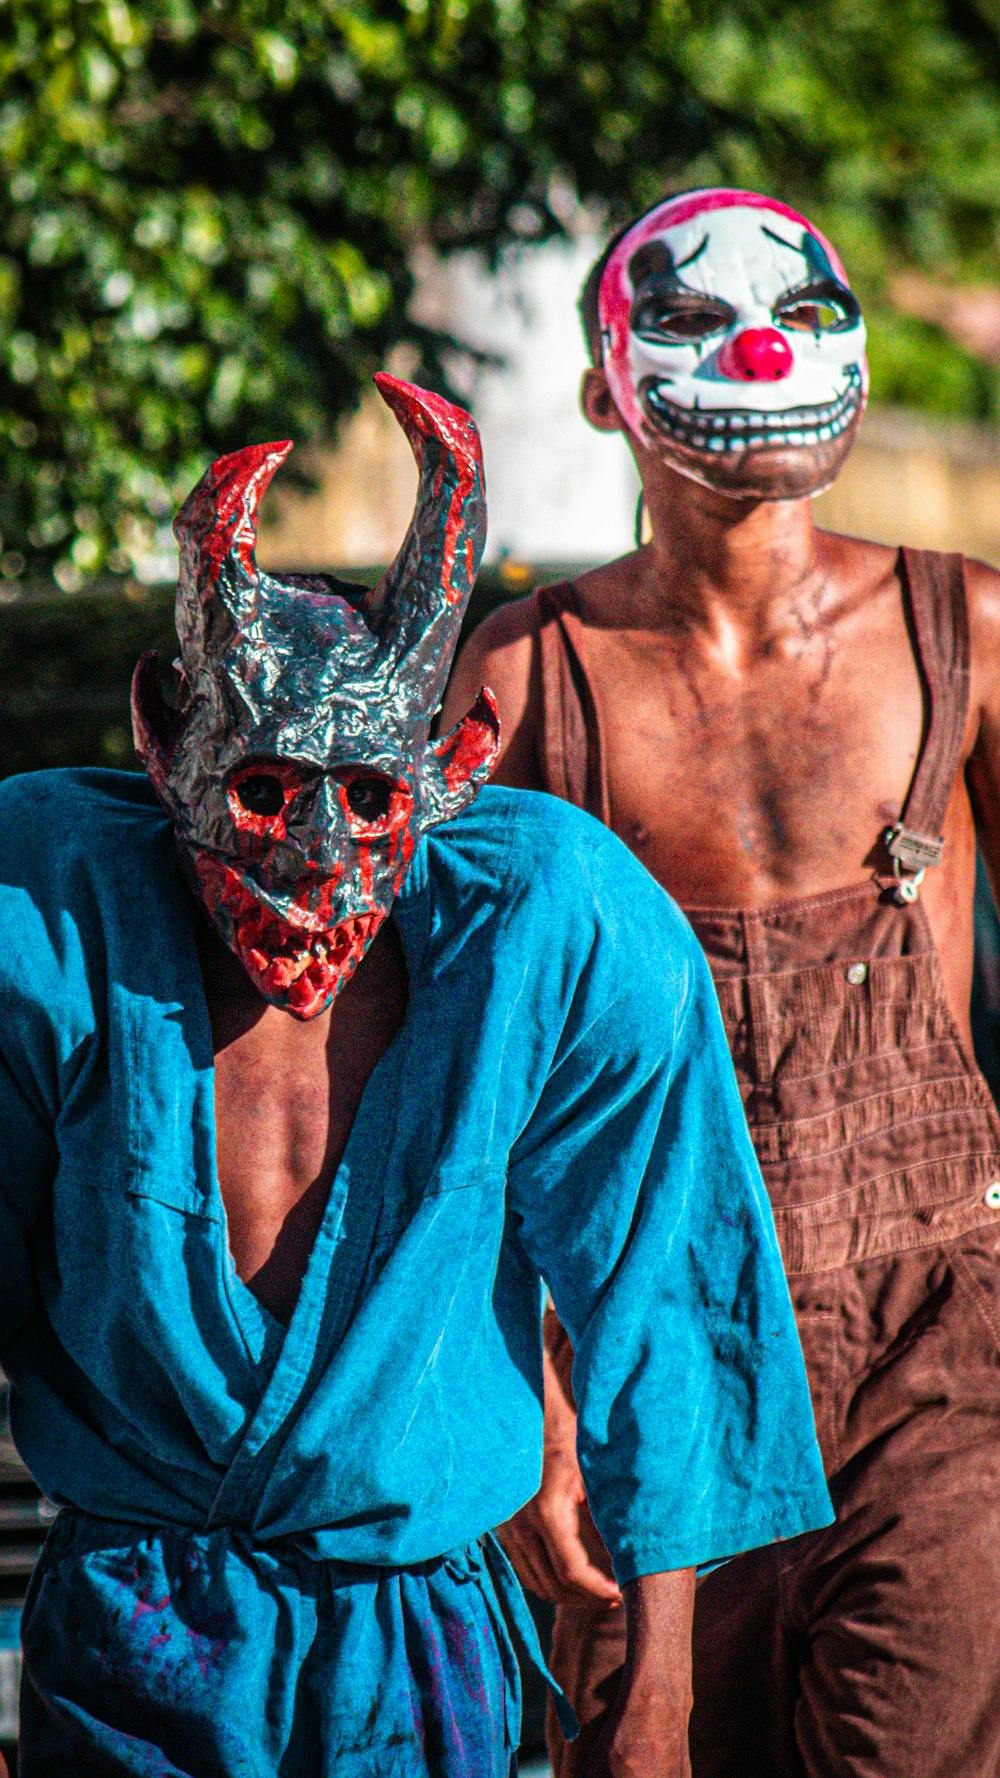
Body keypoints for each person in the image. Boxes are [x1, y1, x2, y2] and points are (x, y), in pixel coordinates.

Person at [0, 373, 830, 1778]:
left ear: (453, 769)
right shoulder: (48, 920)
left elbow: (665, 1306)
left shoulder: (558, 932)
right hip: (131, 1630)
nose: (315, 855)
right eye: (265, 789)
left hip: (422, 1642)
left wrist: (661, 1692)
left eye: (369, 798)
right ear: (164, 744)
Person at [442, 187, 1000, 1778]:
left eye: (803, 313)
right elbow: (449, 1072)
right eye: (685, 321)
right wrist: (534, 1409)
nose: (755, 346)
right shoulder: (523, 677)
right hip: (648, 1359)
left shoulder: (964, 628)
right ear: (604, 386)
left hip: (938, 1335)